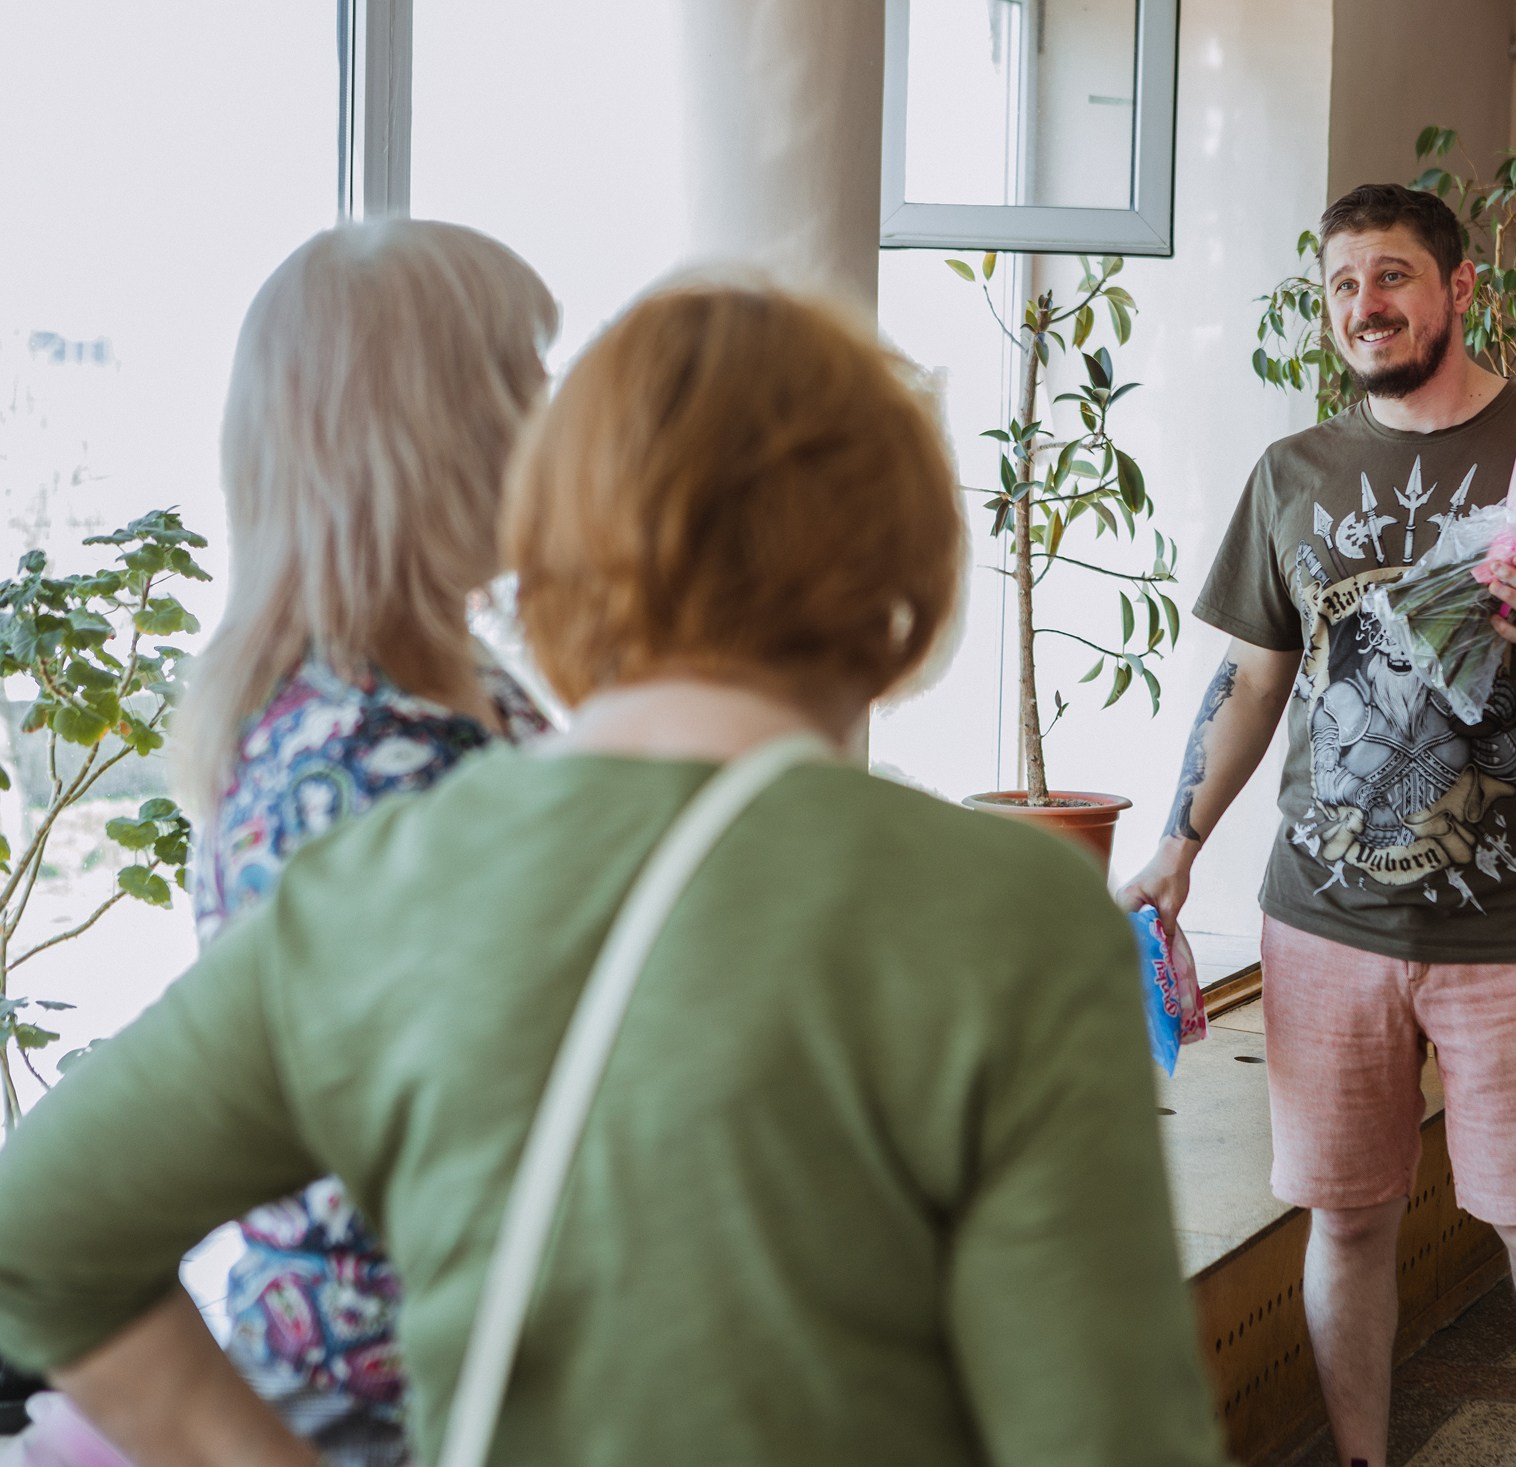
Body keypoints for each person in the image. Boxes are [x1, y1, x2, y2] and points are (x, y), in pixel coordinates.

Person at [0, 283, 1229, 1467]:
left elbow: (36, 1239)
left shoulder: (380, 881)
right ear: (901, 571)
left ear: (550, 552)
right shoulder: (1004, 915)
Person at [1121, 184, 1516, 1467]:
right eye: (1337, 287)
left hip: (1508, 915)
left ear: (1460, 288)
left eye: (1389, 277)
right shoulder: (1294, 473)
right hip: (1322, 916)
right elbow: (1255, 679)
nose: (1361, 307)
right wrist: (1177, 842)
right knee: (1347, 1218)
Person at [167, 220, 559, 1466]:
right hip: (390, 1410)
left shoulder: (455, 680)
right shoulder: (347, 757)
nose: (555, 417)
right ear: (439, 429)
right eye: (526, 379)